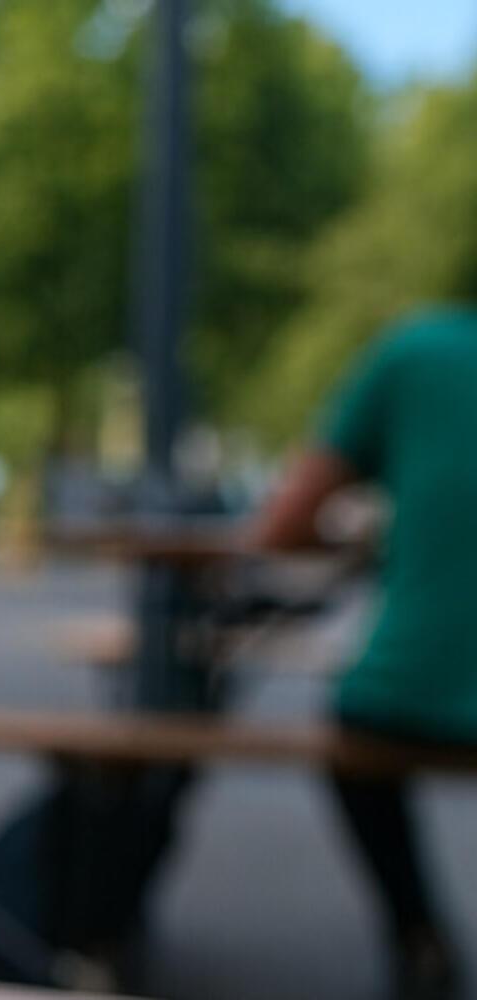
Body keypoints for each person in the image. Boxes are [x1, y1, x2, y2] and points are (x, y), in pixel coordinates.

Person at [253, 306, 477, 1000]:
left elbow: (283, 526)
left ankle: (419, 934)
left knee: (356, 730)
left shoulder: (416, 351)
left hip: (412, 691)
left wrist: (390, 538)